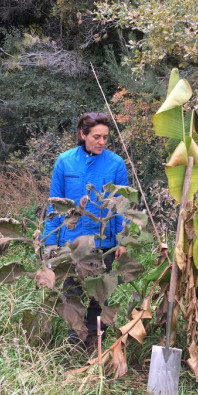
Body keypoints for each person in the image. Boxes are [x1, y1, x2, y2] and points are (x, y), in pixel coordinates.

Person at [42, 112, 128, 346]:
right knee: (73, 295)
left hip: (104, 244)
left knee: (99, 297)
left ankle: (97, 343)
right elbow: (55, 204)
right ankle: (75, 342)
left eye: (105, 138)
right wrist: (49, 243)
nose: (101, 142)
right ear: (83, 134)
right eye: (96, 137)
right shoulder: (65, 161)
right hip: (73, 243)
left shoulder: (116, 164)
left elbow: (123, 204)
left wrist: (123, 239)